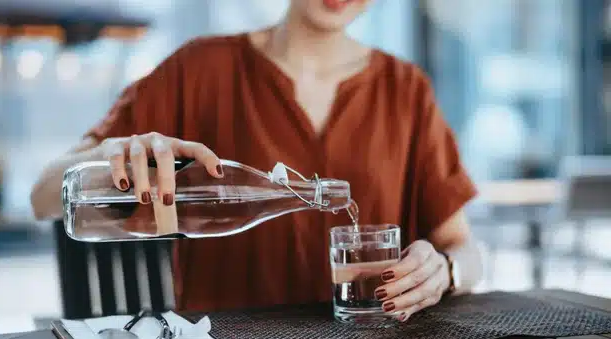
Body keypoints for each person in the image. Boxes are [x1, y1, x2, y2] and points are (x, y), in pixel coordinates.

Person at [31, 0, 484, 322]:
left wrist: (444, 270)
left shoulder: (406, 90)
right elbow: (42, 197)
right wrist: (105, 156)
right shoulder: (198, 70)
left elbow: (467, 248)